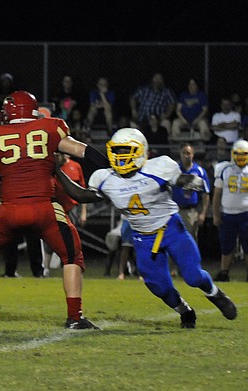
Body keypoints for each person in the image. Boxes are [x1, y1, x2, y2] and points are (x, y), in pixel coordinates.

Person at [0, 90, 109, 329]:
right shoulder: (49, 128)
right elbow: (82, 150)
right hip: (44, 207)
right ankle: (75, 316)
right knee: (72, 256)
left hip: (9, 209)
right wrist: (108, 166)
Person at [57, 128, 237, 328]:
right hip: (143, 238)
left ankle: (214, 293)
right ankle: (185, 310)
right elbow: (81, 195)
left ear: (141, 151)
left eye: (126, 150)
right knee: (159, 286)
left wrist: (191, 182)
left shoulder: (159, 167)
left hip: (171, 228)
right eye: (117, 150)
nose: (121, 156)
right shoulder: (105, 178)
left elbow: (182, 180)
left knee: (193, 276)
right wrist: (55, 171)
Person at [211, 139, 248, 282]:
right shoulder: (224, 169)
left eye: (244, 154)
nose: (240, 157)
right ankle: (224, 272)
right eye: (238, 154)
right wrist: (215, 214)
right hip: (228, 214)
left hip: (246, 214)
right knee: (227, 245)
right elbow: (217, 194)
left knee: (247, 246)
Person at [171, 143, 210, 244]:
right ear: (180, 154)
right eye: (184, 153)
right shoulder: (174, 170)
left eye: (188, 153)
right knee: (173, 239)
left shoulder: (199, 171)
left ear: (193, 154)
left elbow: (205, 194)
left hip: (191, 212)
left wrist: (203, 213)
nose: (186, 156)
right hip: (175, 210)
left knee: (190, 240)